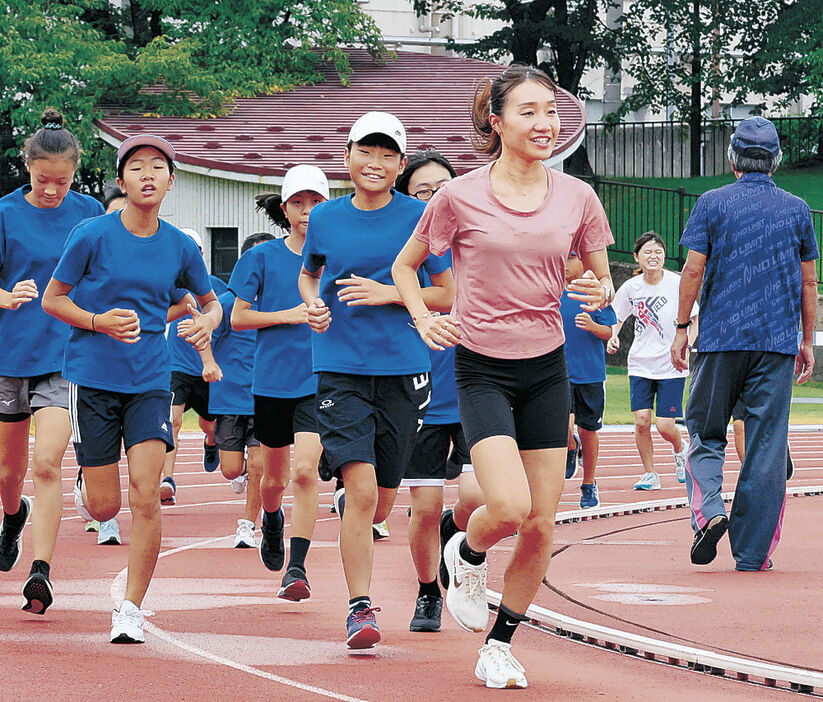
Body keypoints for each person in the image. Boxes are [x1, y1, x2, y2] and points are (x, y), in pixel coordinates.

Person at [392, 65, 614, 689]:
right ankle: (463, 551)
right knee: (511, 507)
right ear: (496, 121)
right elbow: (406, 267)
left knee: (543, 521)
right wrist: (420, 319)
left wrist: (599, 291)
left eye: (552, 111)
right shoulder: (458, 196)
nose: (545, 124)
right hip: (482, 365)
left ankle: (500, 642)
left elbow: (598, 276)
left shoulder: (577, 197)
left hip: (547, 366)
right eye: (529, 112)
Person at [42, 134, 221, 642]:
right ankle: (87, 492)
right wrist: (99, 321)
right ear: (121, 181)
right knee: (105, 507)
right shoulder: (91, 235)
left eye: (158, 167)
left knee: (146, 496)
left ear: (170, 180)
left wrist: (207, 322)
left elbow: (209, 302)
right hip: (93, 379)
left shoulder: (181, 246)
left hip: (149, 381)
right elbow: (54, 301)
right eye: (136, 167)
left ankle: (130, 608)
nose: (148, 174)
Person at [298, 114, 454, 649]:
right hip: (339, 368)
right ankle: (359, 608)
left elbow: (446, 293)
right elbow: (309, 273)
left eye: (389, 155)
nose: (376, 163)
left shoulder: (422, 218)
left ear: (401, 165)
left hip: (404, 370)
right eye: (367, 151)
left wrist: (389, 292)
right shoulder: (325, 219)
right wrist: (313, 305)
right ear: (347, 157)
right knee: (361, 491)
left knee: (382, 501)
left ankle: (356, 501)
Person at [671, 116, 817, 572]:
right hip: (775, 343)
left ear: (732, 158)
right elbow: (809, 283)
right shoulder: (797, 208)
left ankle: (710, 511)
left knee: (704, 432)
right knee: (767, 446)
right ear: (776, 160)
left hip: (719, 338)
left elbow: (693, 270)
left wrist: (681, 326)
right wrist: (806, 341)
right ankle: (753, 555)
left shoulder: (712, 203)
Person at [0, 109, 104, 615]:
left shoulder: (90, 215)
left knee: (47, 463)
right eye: (43, 180)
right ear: (28, 168)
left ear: (74, 173)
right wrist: (5, 296)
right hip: (9, 355)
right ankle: (12, 516)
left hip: (65, 356)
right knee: (7, 472)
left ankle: (40, 571)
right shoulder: (4, 213)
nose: (51, 191)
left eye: (61, 181)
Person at [394, 150, 485, 633]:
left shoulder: (478, 240)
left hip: (478, 383)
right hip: (421, 390)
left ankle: (455, 531)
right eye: (422, 192)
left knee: (477, 495)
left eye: (442, 189)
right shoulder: (402, 255)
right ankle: (428, 591)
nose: (434, 199)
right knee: (423, 508)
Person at [232, 167, 330, 601]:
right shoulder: (262, 257)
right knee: (272, 481)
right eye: (298, 204)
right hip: (272, 382)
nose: (307, 212)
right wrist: (288, 315)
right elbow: (237, 318)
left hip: (321, 379)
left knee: (306, 471)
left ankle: (296, 567)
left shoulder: (338, 257)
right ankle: (270, 517)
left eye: (316, 203)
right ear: (285, 208)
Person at [188, 232, 274, 549]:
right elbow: (204, 334)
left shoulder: (280, 301)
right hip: (230, 399)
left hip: (267, 399)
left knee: (257, 466)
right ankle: (222, 453)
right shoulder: (227, 302)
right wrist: (208, 360)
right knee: (231, 469)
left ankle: (247, 524)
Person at [607, 232, 697, 491]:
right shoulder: (631, 287)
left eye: (658, 251)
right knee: (642, 421)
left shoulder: (677, 283)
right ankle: (650, 473)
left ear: (664, 255)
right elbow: (617, 316)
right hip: (640, 363)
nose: (653, 256)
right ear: (637, 257)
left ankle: (680, 449)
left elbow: (695, 319)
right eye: (647, 252)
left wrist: (687, 345)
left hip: (671, 363)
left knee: (665, 425)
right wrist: (612, 336)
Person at [160, 228, 228, 505]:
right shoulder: (165, 286)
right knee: (172, 421)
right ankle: (167, 479)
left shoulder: (215, 288)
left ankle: (210, 443)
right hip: (177, 367)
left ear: (200, 255)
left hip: (208, 368)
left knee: (211, 425)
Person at [560, 251, 616, 509]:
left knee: (589, 430)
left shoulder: (595, 293)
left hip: (590, 374)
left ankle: (589, 484)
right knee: (561, 426)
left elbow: (608, 332)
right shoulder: (548, 293)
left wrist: (593, 327)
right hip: (558, 374)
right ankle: (571, 447)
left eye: (571, 257)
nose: (566, 263)